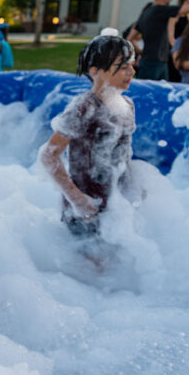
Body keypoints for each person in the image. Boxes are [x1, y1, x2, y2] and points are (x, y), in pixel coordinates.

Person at [40, 34, 137, 239]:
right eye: (122, 66)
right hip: (86, 210)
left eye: (131, 64)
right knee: (93, 267)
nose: (131, 72)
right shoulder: (84, 107)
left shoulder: (127, 105)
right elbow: (49, 155)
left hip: (115, 204)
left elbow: (123, 155)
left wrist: (133, 188)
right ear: (95, 71)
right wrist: (78, 200)